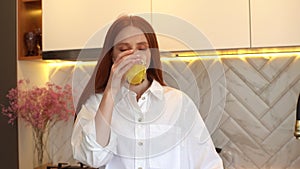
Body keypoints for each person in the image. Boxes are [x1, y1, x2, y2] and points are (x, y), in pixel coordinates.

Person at [71, 15, 223, 169]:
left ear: (151, 54)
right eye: (123, 49)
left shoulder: (178, 102)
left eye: (142, 48)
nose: (133, 55)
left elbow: (208, 163)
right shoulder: (95, 105)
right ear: (112, 55)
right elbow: (93, 157)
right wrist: (111, 90)